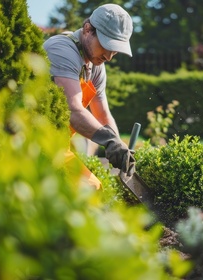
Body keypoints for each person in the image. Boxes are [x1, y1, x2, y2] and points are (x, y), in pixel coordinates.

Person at [43, 4, 135, 189]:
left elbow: (103, 116)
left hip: (56, 146)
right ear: (87, 30)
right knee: (87, 192)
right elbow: (73, 110)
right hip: (30, 143)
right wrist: (109, 141)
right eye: (106, 45)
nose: (109, 56)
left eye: (115, 50)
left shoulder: (96, 66)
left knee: (94, 189)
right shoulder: (62, 50)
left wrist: (120, 149)